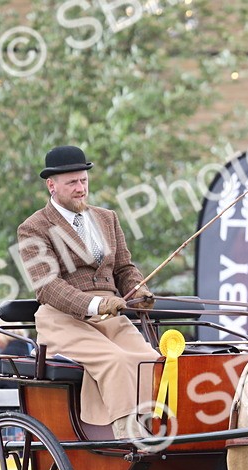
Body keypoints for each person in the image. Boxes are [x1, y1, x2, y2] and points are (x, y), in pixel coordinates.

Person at [17, 145, 158, 439]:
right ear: (51, 186)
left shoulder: (107, 218)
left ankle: (155, 425)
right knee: (116, 361)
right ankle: (128, 438)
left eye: (84, 181)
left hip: (111, 318)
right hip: (63, 320)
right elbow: (48, 286)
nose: (81, 189)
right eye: (72, 183)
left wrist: (137, 289)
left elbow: (124, 268)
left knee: (150, 361)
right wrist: (96, 304)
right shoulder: (33, 228)